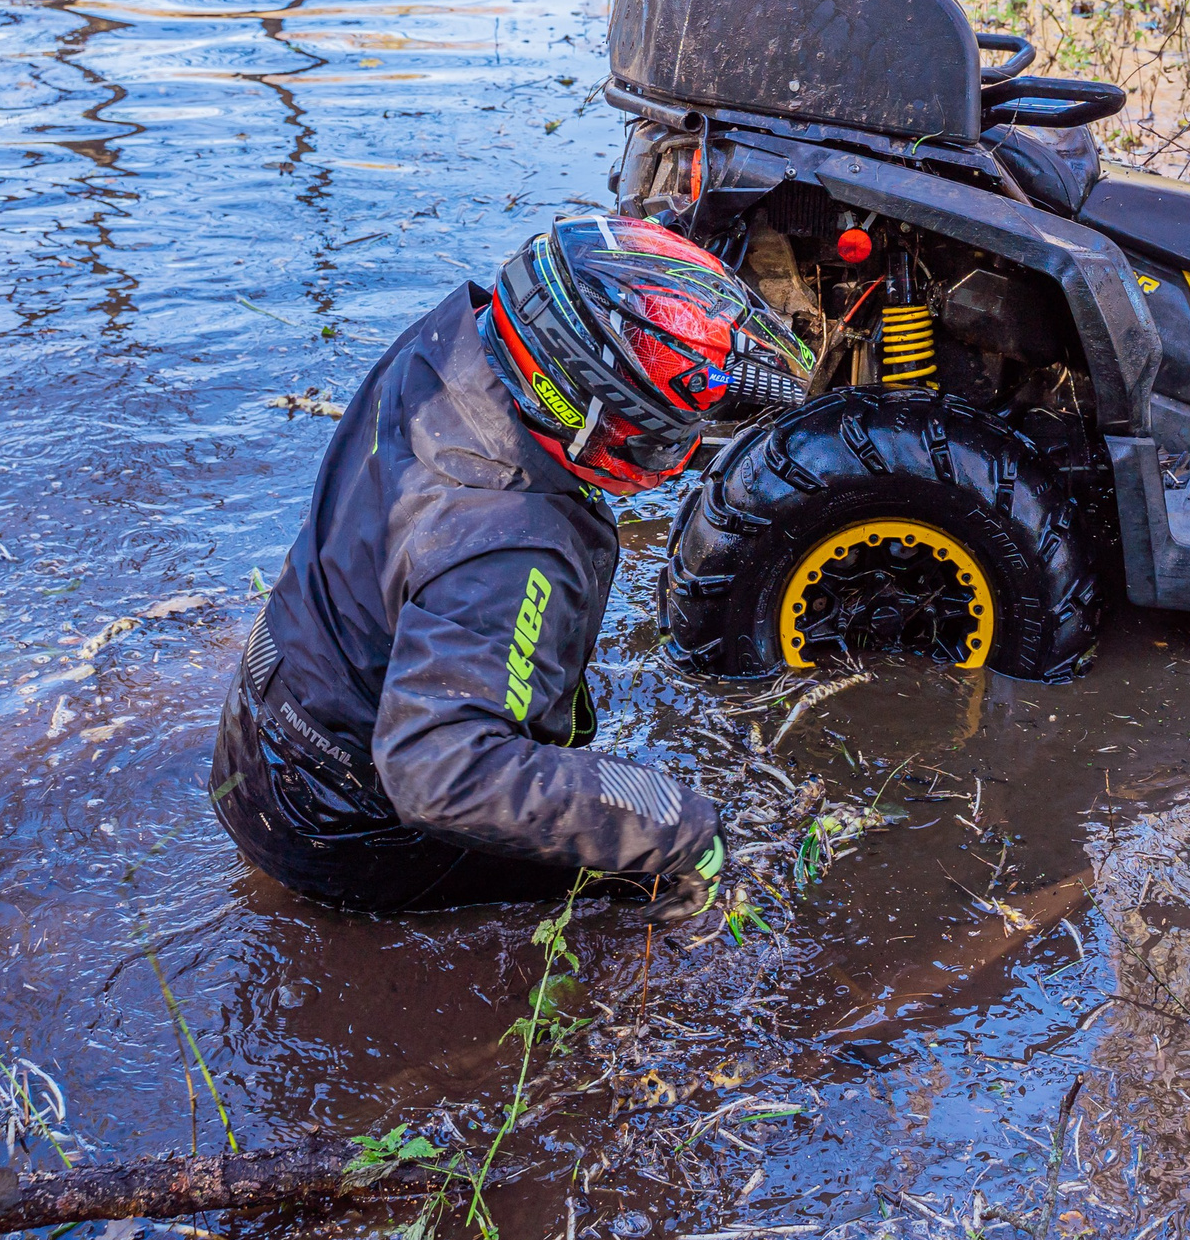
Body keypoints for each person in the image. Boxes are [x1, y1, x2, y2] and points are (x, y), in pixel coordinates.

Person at [210, 215, 813, 917]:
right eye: (661, 436)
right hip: (338, 819)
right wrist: (674, 824)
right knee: (660, 875)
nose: (673, 456)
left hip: (266, 716)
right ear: (585, 412)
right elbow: (439, 769)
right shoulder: (510, 543)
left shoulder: (454, 345)